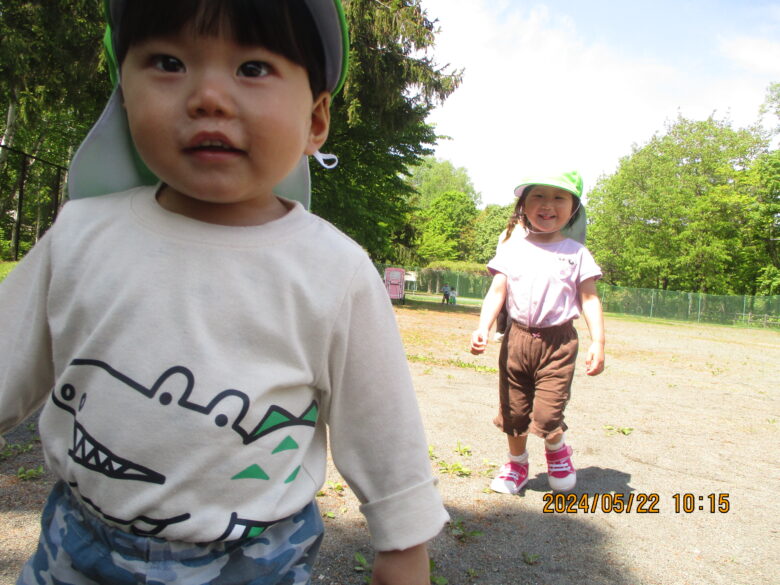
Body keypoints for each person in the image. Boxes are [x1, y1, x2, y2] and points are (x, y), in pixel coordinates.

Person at [0, 2, 448, 584]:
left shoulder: (333, 270)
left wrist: (404, 544)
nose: (208, 96)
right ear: (124, 94)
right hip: (77, 547)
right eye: (168, 63)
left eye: (253, 68)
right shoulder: (78, 236)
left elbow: (383, 423)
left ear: (315, 121)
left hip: (254, 562)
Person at [470, 170, 605, 495]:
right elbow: (497, 292)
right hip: (516, 341)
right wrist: (483, 326)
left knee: (547, 412)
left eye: (559, 197)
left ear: (573, 208)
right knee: (513, 409)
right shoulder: (511, 249)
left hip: (558, 344)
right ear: (523, 206)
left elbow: (589, 298)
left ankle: (557, 448)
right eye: (538, 197)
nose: (548, 205)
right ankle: (516, 464)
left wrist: (598, 341)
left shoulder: (577, 253)